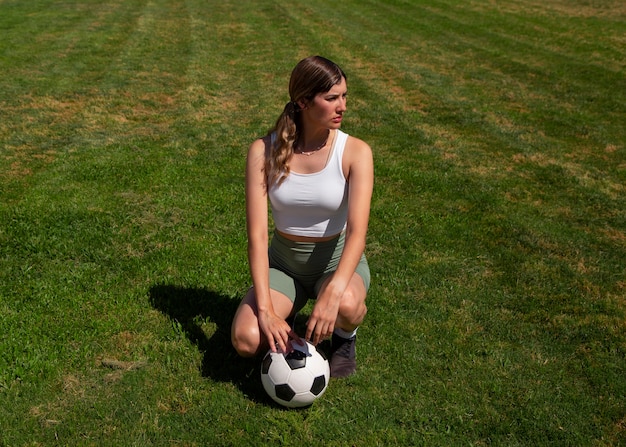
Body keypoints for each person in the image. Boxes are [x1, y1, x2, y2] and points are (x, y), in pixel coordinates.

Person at [231, 56, 373, 378]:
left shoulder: (355, 152)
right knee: (245, 339)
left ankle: (344, 337)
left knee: (347, 305)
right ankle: (286, 317)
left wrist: (335, 290)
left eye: (345, 96)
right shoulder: (263, 152)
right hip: (284, 265)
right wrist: (265, 311)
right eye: (332, 98)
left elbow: (357, 234)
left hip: (336, 262)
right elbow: (257, 236)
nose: (343, 107)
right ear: (304, 101)